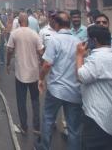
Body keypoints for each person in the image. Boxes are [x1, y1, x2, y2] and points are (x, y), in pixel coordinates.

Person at [36, 11, 83, 150]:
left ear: (56, 24)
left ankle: (44, 147)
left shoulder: (55, 40)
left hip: (56, 90)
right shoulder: (78, 42)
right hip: (74, 91)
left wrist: (40, 78)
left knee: (49, 120)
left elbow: (47, 64)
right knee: (73, 128)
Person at [76, 25, 112, 149]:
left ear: (94, 40)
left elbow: (81, 76)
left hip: (97, 119)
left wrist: (79, 55)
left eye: (88, 39)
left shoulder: (97, 58)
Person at [7, 13, 44, 134]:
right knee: (35, 100)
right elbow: (41, 52)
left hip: (20, 74)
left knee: (21, 101)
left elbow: (9, 50)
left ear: (19, 22)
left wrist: (8, 63)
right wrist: (42, 68)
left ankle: (24, 127)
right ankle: (37, 127)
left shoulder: (14, 33)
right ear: (28, 21)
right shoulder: (34, 34)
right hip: (34, 73)